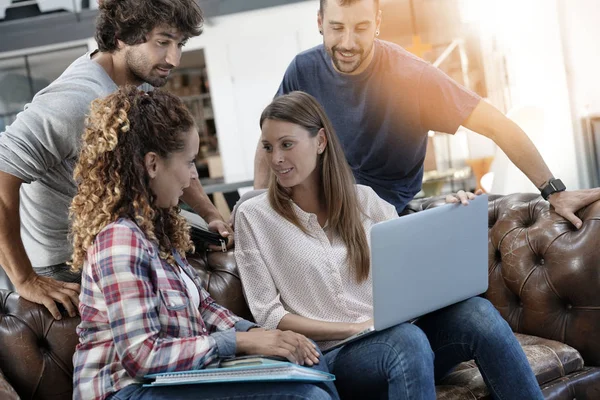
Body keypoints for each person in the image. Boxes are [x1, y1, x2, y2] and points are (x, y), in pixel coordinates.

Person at [235, 91, 545, 400]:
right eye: (268, 147)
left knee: (478, 314)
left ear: (320, 142)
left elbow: (411, 268)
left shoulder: (364, 200)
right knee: (406, 341)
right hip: (336, 356)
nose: (275, 158)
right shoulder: (254, 216)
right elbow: (269, 315)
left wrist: (449, 220)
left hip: (406, 338)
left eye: (286, 144)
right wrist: (357, 328)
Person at [70, 86, 339, 400]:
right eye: (188, 163)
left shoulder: (155, 233)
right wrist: (239, 343)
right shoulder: (120, 239)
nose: (190, 179)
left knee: (311, 364)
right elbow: (143, 357)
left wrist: (260, 334)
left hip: (171, 383)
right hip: (125, 391)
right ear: (153, 164)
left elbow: (204, 307)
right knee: (306, 397)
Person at [253, 0, 600, 223]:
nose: (347, 43)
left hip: (388, 219)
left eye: (360, 28)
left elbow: (498, 125)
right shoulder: (303, 70)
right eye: (336, 28)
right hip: (320, 215)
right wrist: (256, 208)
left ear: (377, 22)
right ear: (319, 22)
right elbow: (269, 138)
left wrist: (554, 190)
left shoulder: (412, 77)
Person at [0, 0, 231, 320]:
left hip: (120, 240)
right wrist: (24, 279)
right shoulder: (76, 101)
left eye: (180, 44)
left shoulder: (141, 80)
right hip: (68, 263)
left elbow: (174, 156)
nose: (174, 58)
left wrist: (210, 214)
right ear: (122, 34)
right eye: (163, 42)